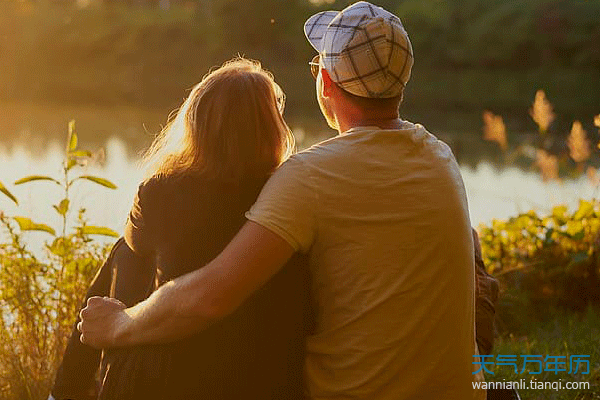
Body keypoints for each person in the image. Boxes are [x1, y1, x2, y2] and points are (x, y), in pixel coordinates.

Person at [79, 2, 487, 399]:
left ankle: (66, 390)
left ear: (325, 82)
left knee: (127, 251)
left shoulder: (309, 176)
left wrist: (118, 325)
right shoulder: (439, 157)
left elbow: (211, 296)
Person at [52, 58, 314, 400]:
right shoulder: (288, 191)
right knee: (129, 253)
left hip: (173, 374)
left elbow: (133, 247)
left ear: (196, 122)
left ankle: (64, 391)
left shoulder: (162, 191)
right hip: (268, 374)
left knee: (125, 254)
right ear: (271, 128)